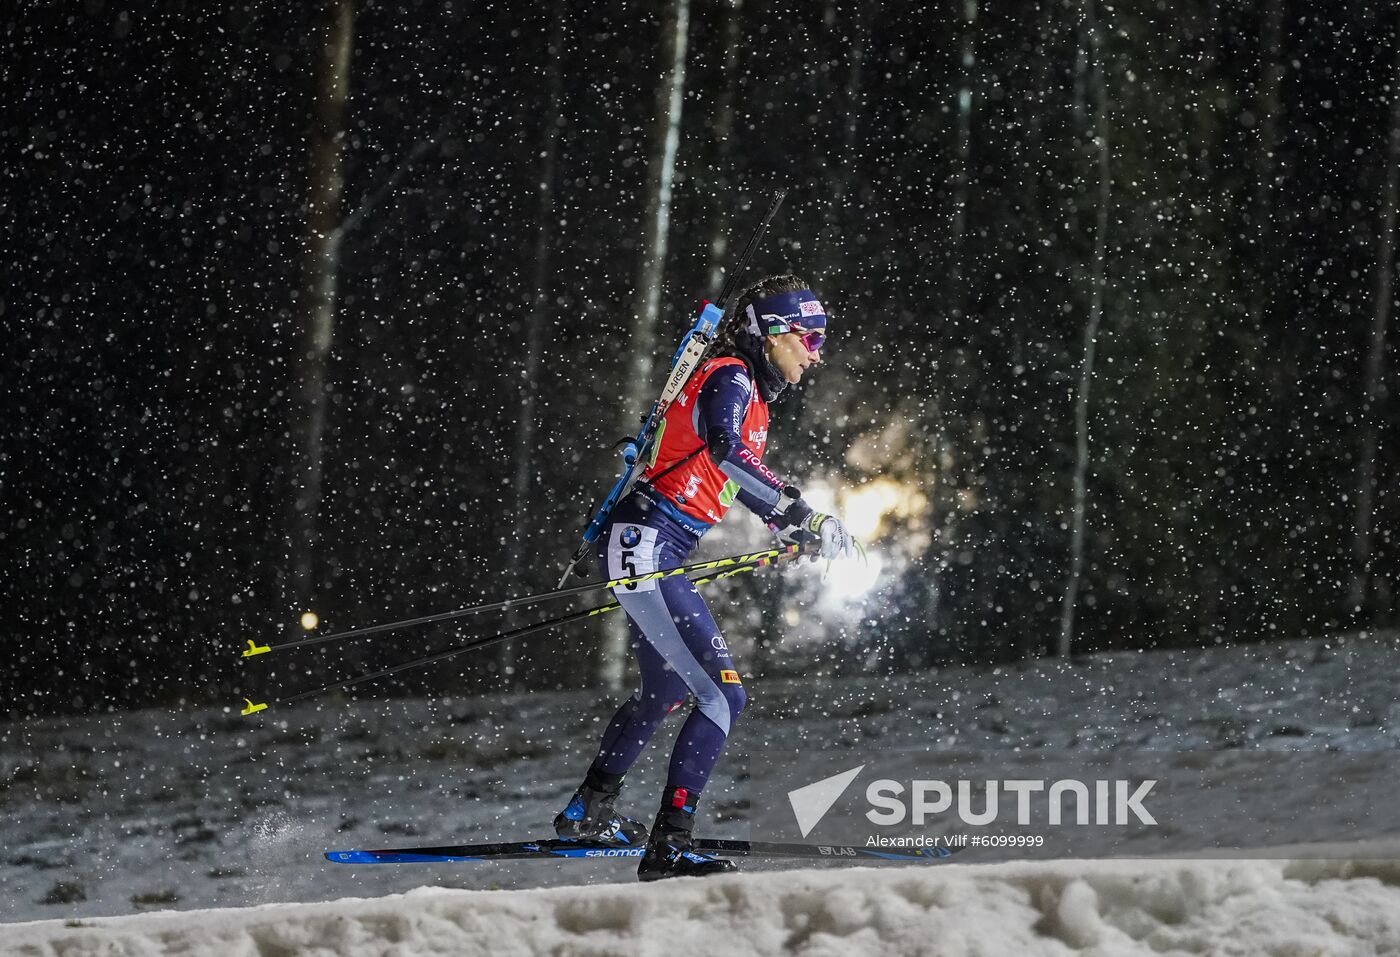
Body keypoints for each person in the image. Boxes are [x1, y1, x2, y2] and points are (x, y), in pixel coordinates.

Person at [554, 274, 860, 881]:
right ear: (772, 335)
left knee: (665, 692)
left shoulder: (748, 391)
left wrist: (786, 528)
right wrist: (803, 512)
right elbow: (725, 453)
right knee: (722, 695)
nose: (815, 353)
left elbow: (727, 476)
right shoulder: (731, 376)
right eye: (809, 337)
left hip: (653, 544)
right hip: (648, 544)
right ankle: (670, 842)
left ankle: (589, 809)